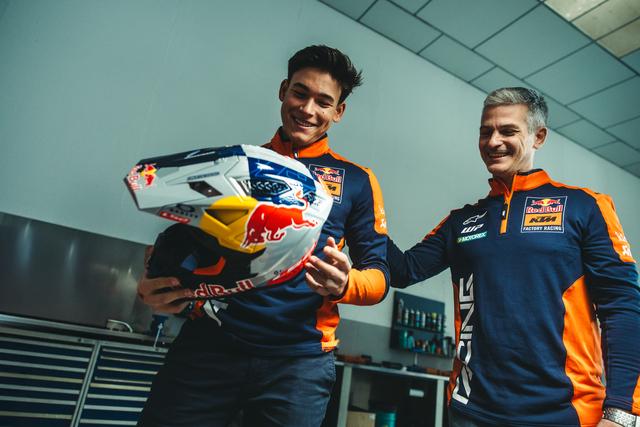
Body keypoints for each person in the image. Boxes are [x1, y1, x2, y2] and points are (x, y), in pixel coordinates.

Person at [136, 45, 389, 427]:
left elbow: (379, 276)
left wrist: (345, 284)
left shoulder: (357, 180)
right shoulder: (238, 163)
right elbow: (190, 246)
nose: (308, 109)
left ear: (338, 111)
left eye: (323, 102)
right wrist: (160, 279)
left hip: (298, 364)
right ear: (283, 90)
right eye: (300, 93)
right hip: (209, 346)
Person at [387, 87, 639, 427]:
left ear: (538, 137)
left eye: (507, 131)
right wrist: (357, 212)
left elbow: (622, 308)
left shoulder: (585, 207)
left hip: (563, 414)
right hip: (470, 412)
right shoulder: (462, 221)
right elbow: (403, 270)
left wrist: (621, 413)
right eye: (485, 132)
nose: (493, 141)